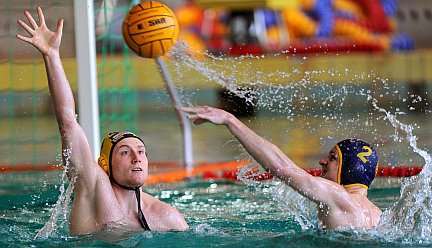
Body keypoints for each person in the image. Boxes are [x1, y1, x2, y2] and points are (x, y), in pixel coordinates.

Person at [16, 7, 188, 235]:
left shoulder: (166, 216)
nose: (137, 158)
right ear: (105, 165)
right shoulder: (94, 187)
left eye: (141, 152)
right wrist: (52, 56)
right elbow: (68, 121)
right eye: (125, 152)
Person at [181, 106, 381, 230]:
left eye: (332, 157)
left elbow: (280, 167)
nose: (323, 161)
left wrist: (229, 120)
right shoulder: (377, 214)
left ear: (349, 167)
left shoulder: (339, 196)